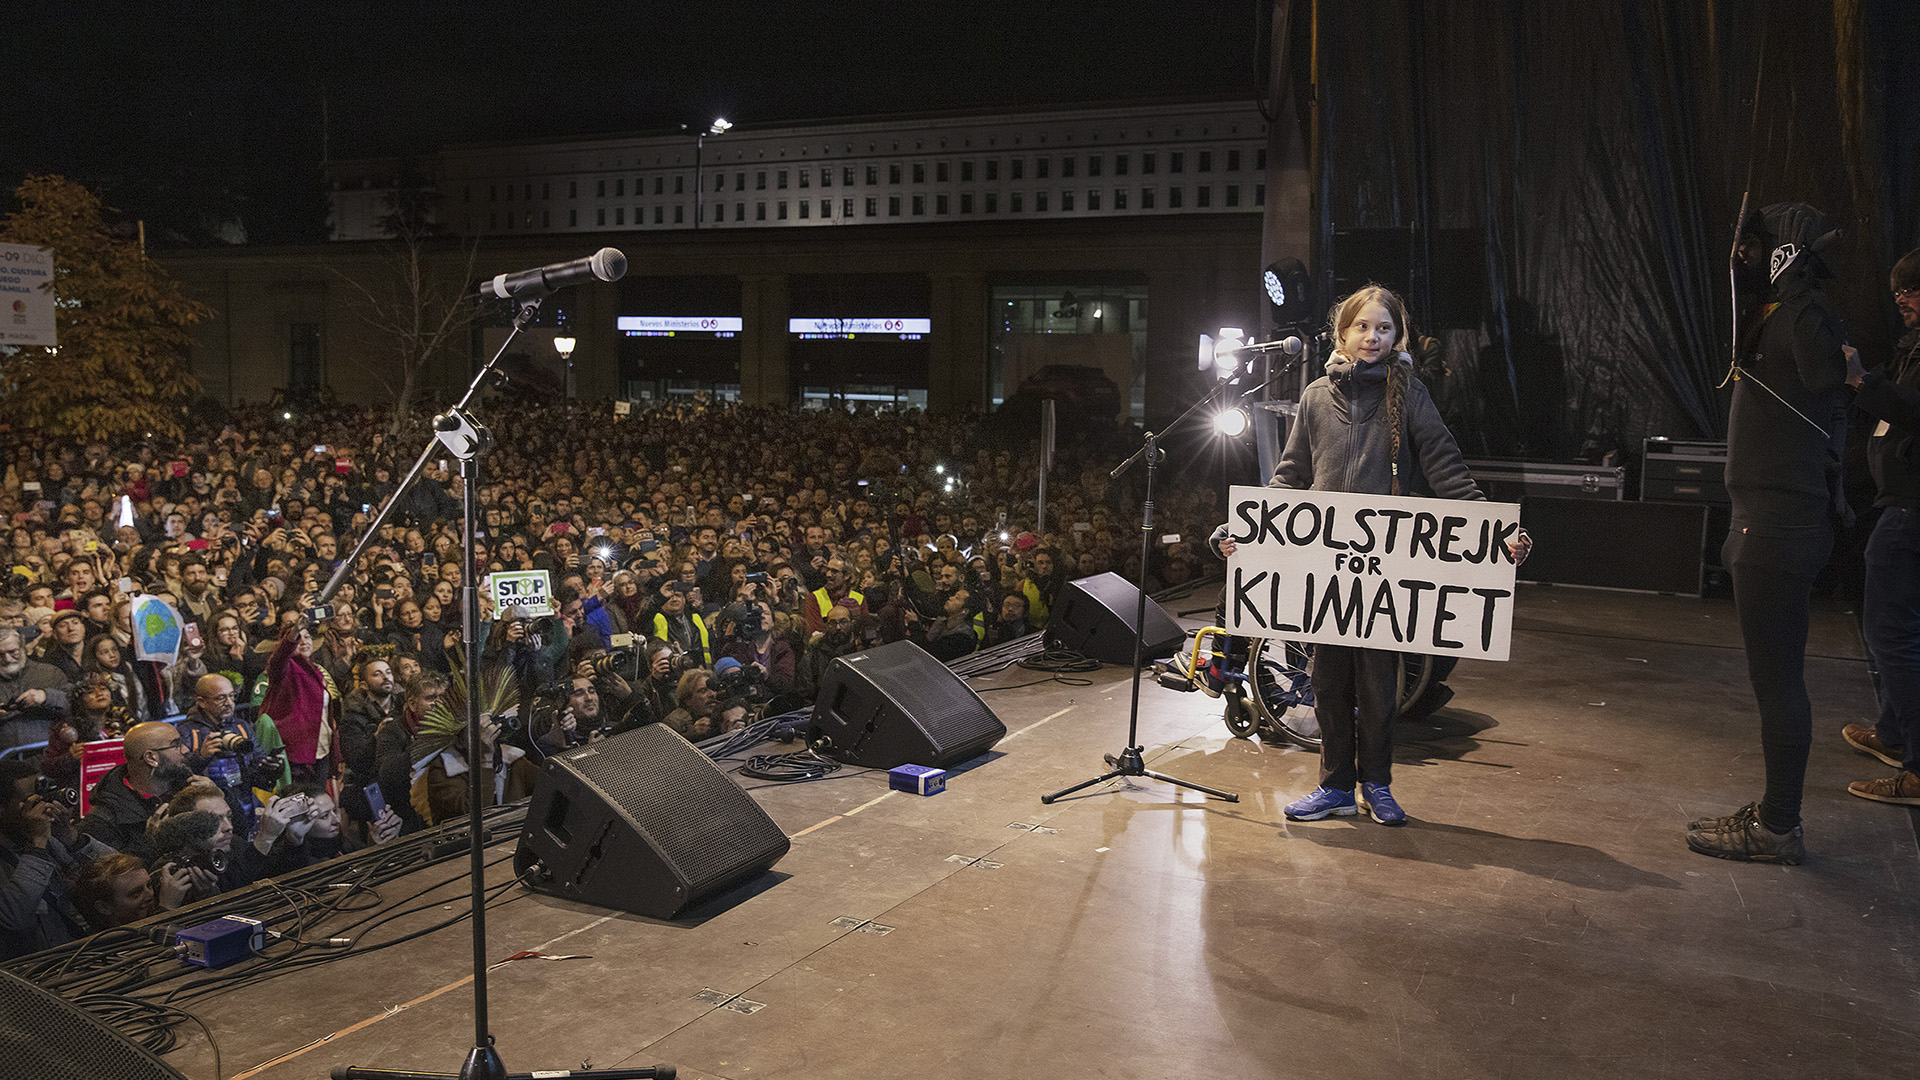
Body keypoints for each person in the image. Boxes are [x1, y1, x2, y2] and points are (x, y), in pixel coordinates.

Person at [1216, 285, 1529, 827]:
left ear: (1396, 336)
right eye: (1363, 327)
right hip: (1325, 569)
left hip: (1384, 570)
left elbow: (1446, 469)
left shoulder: (1410, 397)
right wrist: (1246, 530)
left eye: (1384, 328)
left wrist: (1492, 531)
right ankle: (1334, 786)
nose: (1372, 337)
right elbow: (1290, 479)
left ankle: (1377, 784)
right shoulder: (1316, 397)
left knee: (1381, 688)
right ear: (1343, 333)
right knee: (1328, 684)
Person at [1686, 204, 1851, 864]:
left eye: (1757, 248)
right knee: (1774, 680)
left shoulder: (1802, 318)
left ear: (1785, 253)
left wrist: (1797, 280)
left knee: (1778, 683)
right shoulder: (1778, 319)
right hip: (1767, 522)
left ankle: (1779, 827)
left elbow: (1822, 372)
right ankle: (1777, 818)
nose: (1742, 258)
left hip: (1779, 528)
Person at [1838, 246, 1920, 807]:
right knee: (1901, 632)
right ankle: (1893, 736)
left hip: (1911, 509)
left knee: (1892, 635)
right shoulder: (1913, 349)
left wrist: (1860, 380)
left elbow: (1909, 410)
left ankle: (1917, 769)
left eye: (1909, 291)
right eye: (1896, 293)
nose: (1901, 302)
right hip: (1905, 504)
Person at [0, 759, 117, 958]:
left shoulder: (48, 837)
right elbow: (13, 918)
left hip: (75, 953)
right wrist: (37, 844)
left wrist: (71, 838)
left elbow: (118, 870)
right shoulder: (36, 838)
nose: (45, 805)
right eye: (32, 801)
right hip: (30, 970)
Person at [80, 721, 194, 860]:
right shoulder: (102, 821)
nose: (185, 749)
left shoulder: (188, 786)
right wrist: (151, 843)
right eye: (176, 745)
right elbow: (118, 877)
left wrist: (214, 794)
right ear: (151, 758)